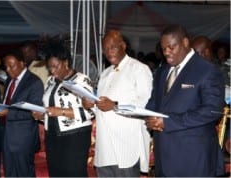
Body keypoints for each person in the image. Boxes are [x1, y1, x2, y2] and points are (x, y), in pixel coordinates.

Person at [145, 24, 225, 176]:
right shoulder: (163, 71)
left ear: (185, 43)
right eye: (163, 49)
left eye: (171, 47)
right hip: (164, 156)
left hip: (193, 158)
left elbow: (212, 110)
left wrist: (168, 122)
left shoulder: (206, 70)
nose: (166, 52)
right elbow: (155, 101)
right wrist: (147, 114)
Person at [83, 30, 153, 177]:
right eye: (106, 49)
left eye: (113, 47)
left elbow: (145, 104)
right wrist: (92, 105)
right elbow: (102, 108)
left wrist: (115, 105)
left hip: (126, 146)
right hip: (104, 148)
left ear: (123, 46)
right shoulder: (105, 74)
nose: (109, 52)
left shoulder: (139, 69)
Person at [32, 39, 95, 177]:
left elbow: (91, 110)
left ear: (65, 62)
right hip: (52, 137)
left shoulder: (81, 80)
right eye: (49, 68)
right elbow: (50, 111)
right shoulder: (50, 81)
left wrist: (61, 112)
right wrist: (42, 115)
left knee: (73, 174)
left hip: (74, 137)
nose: (52, 71)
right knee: (56, 173)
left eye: (55, 66)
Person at [0, 49, 44, 177]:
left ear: (22, 63)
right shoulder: (9, 81)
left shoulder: (34, 82)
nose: (8, 70)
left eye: (12, 65)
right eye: (6, 67)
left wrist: (8, 113)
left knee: (24, 173)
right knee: (9, 173)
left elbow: (35, 111)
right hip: (6, 136)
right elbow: (6, 103)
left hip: (23, 139)